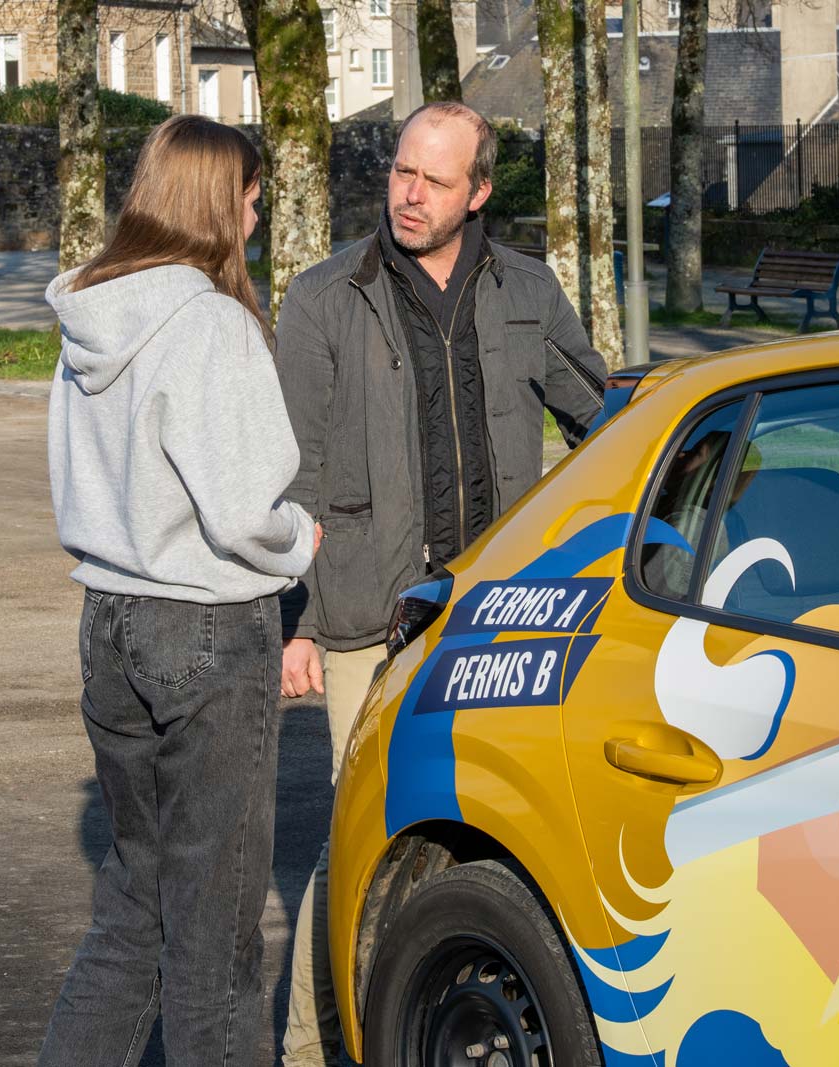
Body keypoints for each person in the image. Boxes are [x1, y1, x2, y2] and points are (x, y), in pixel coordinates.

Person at [274, 100, 608, 1066]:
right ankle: (312, 1047)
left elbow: (599, 418)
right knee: (359, 840)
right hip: (368, 618)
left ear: (480, 193)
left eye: (435, 180)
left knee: (486, 831)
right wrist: (294, 620)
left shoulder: (528, 290)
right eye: (401, 173)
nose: (410, 195)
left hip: (496, 617)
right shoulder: (325, 296)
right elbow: (293, 475)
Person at [38, 114, 321, 1067]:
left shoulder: (89, 315)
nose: (255, 216)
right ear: (214, 201)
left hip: (108, 622)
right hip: (204, 628)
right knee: (215, 943)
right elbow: (246, 511)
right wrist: (303, 538)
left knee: (133, 913)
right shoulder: (210, 323)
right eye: (249, 197)